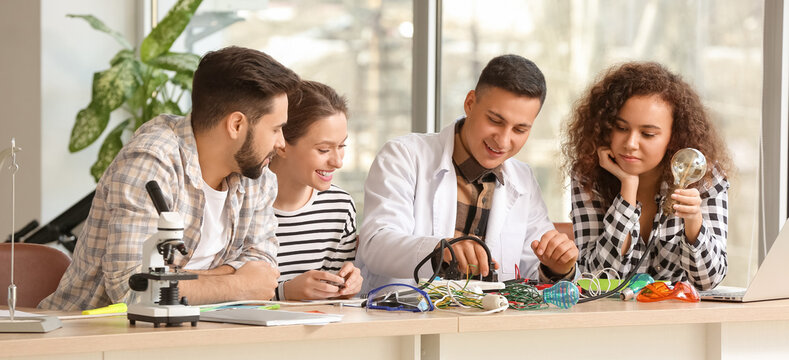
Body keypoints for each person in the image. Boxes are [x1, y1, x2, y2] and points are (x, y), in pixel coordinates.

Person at [39, 46, 300, 310]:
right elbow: (131, 289)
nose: (281, 143)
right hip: (92, 338)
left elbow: (263, 269)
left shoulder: (255, 173)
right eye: (276, 129)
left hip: (194, 334)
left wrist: (174, 282)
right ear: (236, 125)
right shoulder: (151, 160)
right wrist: (237, 285)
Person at [358, 54, 578, 292]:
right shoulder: (404, 156)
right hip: (404, 318)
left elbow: (531, 274)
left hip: (485, 324)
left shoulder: (523, 180)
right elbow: (376, 245)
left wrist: (558, 267)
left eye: (520, 129)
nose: (503, 140)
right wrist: (440, 251)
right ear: (470, 103)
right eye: (495, 120)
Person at [563, 62, 731, 290]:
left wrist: (694, 222)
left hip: (680, 318)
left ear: (674, 137)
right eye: (621, 128)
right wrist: (628, 189)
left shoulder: (703, 177)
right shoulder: (588, 175)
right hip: (608, 317)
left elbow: (708, 281)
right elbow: (597, 279)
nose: (630, 144)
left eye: (648, 134)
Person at [268, 80, 362, 300]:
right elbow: (224, 295)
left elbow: (333, 300)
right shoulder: (240, 203)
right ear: (281, 144)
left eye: (342, 146)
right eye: (324, 149)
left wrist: (346, 286)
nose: (338, 162)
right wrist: (283, 293)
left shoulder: (340, 206)